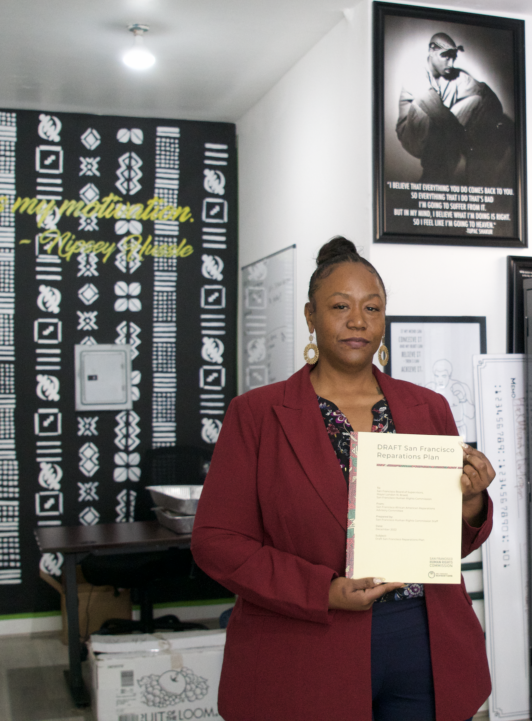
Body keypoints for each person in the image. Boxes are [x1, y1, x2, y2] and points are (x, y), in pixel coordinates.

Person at [192, 236, 496, 721]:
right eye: (340, 306)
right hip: (306, 643)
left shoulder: (426, 408)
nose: (358, 321)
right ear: (311, 316)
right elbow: (216, 542)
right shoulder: (257, 414)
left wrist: (471, 503)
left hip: (424, 639)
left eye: (372, 308)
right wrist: (324, 590)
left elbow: (443, 543)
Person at [396, 32, 514, 185]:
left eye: (453, 58)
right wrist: (464, 138)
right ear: (431, 51)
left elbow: (487, 96)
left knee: (477, 100)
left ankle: (475, 171)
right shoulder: (416, 74)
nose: (450, 64)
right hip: (414, 136)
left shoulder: (455, 76)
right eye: (445, 56)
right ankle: (432, 177)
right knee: (431, 110)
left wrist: (487, 130)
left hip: (444, 130)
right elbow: (438, 113)